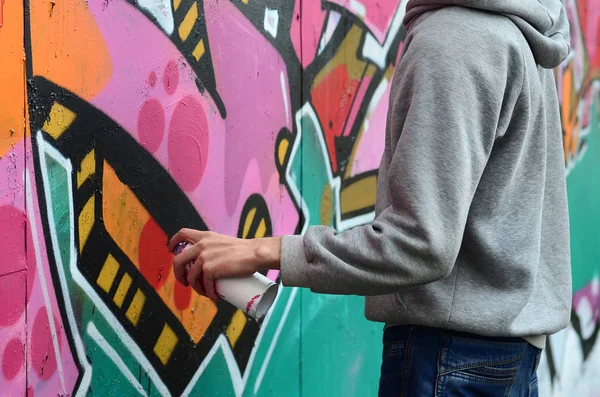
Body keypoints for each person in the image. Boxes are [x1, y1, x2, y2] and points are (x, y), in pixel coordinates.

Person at [169, 0, 572, 395]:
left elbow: (421, 245)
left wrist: (262, 252)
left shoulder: (455, 40)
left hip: (446, 363)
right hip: (494, 358)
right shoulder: (517, 28)